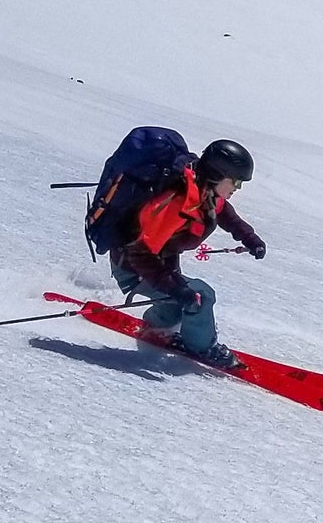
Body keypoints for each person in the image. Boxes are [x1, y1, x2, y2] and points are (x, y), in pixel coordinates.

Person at [110, 138, 265, 368]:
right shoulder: (177, 201)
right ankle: (203, 347)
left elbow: (223, 213)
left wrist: (249, 238)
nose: (237, 188)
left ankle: (156, 326)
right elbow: (140, 252)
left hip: (160, 262)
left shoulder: (203, 190)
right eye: (235, 181)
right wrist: (174, 287)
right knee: (200, 296)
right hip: (134, 266)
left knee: (177, 307)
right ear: (217, 174)